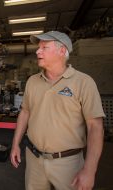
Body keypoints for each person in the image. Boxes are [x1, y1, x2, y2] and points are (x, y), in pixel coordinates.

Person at [10, 31, 105, 190]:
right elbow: (25, 113)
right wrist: (15, 144)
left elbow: (95, 127)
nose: (38, 51)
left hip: (68, 163)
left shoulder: (84, 82)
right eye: (38, 47)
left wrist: (89, 170)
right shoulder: (33, 81)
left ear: (62, 51)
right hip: (34, 160)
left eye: (44, 47)